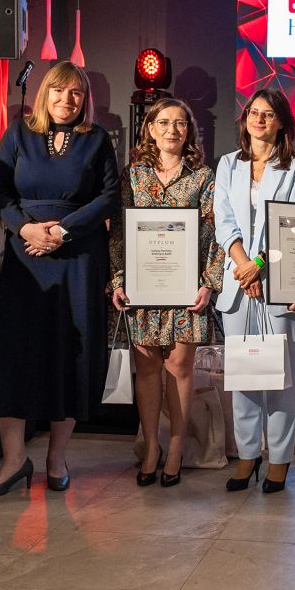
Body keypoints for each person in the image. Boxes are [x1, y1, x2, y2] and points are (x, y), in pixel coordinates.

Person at [0, 61, 119, 496]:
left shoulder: (97, 139)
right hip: (25, 259)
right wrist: (24, 229)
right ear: (44, 93)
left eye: (76, 92)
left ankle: (56, 458)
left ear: (85, 99)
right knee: (13, 353)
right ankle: (13, 461)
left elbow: (110, 197)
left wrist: (63, 231)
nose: (66, 99)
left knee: (69, 356)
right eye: (59, 90)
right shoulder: (17, 134)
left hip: (77, 257)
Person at [109, 97, 224, 487]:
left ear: (189, 130)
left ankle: (176, 446)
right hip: (143, 289)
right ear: (150, 129)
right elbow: (119, 232)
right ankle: (151, 448)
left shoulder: (203, 177)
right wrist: (118, 279)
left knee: (179, 368)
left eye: (180, 123)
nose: (172, 130)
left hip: (186, 289)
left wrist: (208, 283)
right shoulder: (133, 175)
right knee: (146, 369)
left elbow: (215, 234)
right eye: (164, 122)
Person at [213, 89, 295, 494]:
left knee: (280, 378)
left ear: (281, 122)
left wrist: (260, 265)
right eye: (254, 112)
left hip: (280, 282)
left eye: (268, 114)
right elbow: (223, 220)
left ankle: (280, 459)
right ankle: (248, 454)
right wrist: (244, 266)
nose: (259, 119)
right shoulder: (228, 164)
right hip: (238, 284)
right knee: (245, 375)